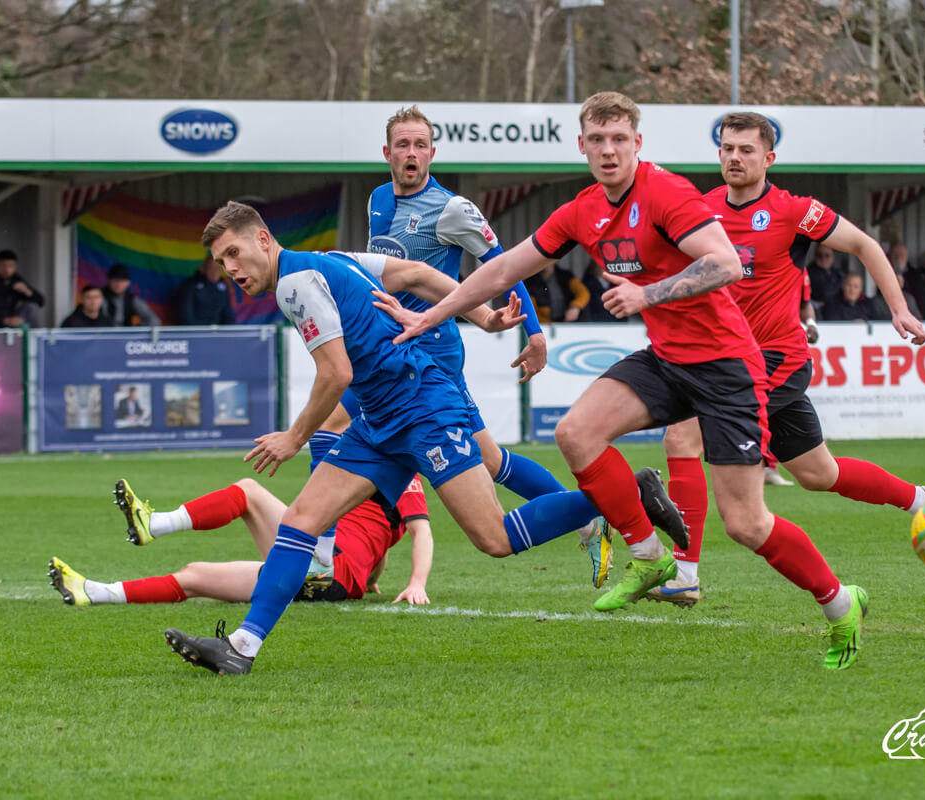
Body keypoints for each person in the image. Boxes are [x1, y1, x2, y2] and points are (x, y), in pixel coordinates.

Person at [378, 93, 867, 670]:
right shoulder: (583, 209)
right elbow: (504, 268)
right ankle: (649, 553)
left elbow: (726, 263)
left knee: (747, 524)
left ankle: (840, 604)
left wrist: (646, 293)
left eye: (619, 139)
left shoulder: (667, 193)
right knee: (577, 434)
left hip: (727, 368)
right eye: (597, 139)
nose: (608, 150)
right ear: (582, 145)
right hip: (666, 359)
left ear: (638, 143)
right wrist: (431, 314)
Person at [162, 201, 664, 675]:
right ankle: (241, 649)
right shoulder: (328, 259)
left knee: (494, 538)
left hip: (422, 407)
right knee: (300, 521)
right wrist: (483, 316)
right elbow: (417, 276)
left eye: (234, 252)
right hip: (381, 419)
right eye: (220, 259)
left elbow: (335, 373)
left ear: (265, 240)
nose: (229, 266)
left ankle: (630, 492)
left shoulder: (295, 284)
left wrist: (295, 437)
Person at [648, 111, 925, 616]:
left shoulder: (795, 211)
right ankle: (920, 500)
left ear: (769, 158)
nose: (735, 158)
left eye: (746, 149)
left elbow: (865, 245)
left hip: (775, 357)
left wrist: (898, 308)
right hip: (722, 360)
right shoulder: (703, 209)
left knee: (681, 437)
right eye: (727, 149)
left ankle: (684, 575)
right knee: (816, 473)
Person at [362, 105, 610, 581]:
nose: (411, 154)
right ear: (387, 152)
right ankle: (588, 518)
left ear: (432, 153)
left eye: (419, 146)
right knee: (492, 459)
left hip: (430, 357)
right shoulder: (376, 199)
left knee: (341, 425)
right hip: (390, 349)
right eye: (402, 145)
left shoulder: (453, 209)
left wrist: (533, 332)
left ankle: (324, 550)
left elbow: (506, 267)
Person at [48, 469, 433, 607]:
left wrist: (417, 583)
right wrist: (372, 581)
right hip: (330, 568)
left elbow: (422, 532)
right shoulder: (371, 473)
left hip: (329, 566)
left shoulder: (401, 471)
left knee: (249, 491)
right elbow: (380, 545)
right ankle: (94, 592)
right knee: (195, 574)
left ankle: (155, 524)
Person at [0, 249, 44, 328]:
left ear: (15, 267)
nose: (7, 269)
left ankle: (33, 337)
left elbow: (41, 301)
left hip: (13, 319)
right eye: (3, 265)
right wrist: (4, 320)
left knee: (31, 306)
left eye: (10, 266)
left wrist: (26, 290)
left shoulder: (15, 280)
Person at [176, 256, 236, 325]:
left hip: (217, 333)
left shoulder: (223, 288)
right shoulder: (190, 286)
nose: (215, 272)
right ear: (203, 269)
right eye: (212, 268)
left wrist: (228, 333)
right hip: (195, 332)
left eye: (218, 269)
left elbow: (228, 316)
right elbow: (186, 317)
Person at [525, 263, 590, 322]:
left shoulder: (565, 276)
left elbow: (583, 292)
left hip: (569, 323)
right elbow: (531, 310)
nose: (545, 263)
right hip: (545, 326)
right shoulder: (530, 283)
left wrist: (576, 307)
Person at [805, 243, 843, 308]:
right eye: (819, 255)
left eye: (827, 255)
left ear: (833, 257)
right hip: (814, 309)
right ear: (815, 256)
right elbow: (824, 293)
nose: (823, 259)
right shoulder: (807, 273)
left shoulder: (837, 273)